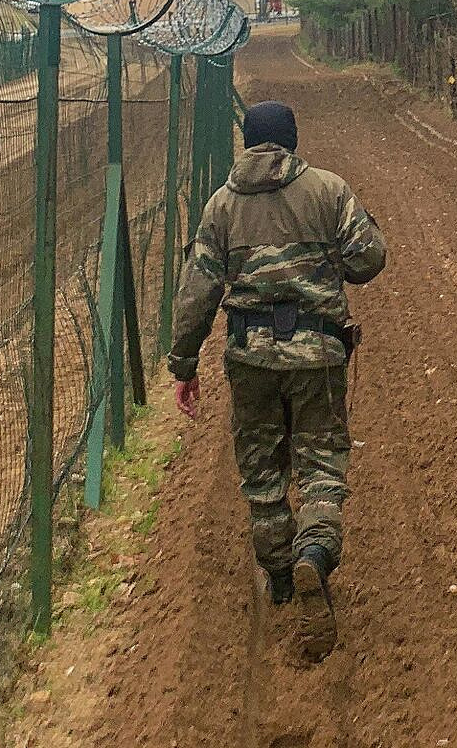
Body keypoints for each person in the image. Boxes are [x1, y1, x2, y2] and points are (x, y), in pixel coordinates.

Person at [166, 100, 387, 660]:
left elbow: (197, 294)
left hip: (251, 360)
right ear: (292, 139)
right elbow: (369, 260)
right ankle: (315, 551)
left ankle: (282, 577)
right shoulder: (329, 190)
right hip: (317, 355)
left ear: (246, 142)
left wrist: (184, 364)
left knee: (262, 473)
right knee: (320, 463)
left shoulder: (221, 207)